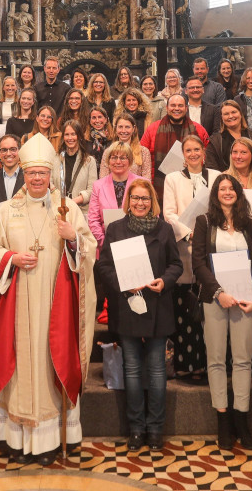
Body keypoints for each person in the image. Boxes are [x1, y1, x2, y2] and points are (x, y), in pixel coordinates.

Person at [0, 134, 97, 465]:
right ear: (22, 172)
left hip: (53, 308)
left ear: (50, 176)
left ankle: (50, 441)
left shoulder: (67, 208)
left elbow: (90, 251)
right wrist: (11, 259)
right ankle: (14, 440)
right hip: (17, 307)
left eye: (41, 174)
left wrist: (73, 238)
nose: (35, 179)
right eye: (30, 173)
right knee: (18, 367)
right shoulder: (7, 211)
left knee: (50, 365)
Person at [95, 179, 183, 451]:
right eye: (136, 198)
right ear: (128, 201)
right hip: (127, 306)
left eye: (145, 198)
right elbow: (103, 266)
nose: (140, 203)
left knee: (157, 372)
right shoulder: (115, 229)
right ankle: (136, 429)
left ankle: (155, 429)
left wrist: (164, 281)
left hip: (157, 304)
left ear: (152, 201)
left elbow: (176, 265)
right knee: (131, 371)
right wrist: (122, 281)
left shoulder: (165, 229)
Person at [191, 174, 252, 451]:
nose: (227, 192)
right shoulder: (204, 222)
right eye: (222, 188)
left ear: (238, 192)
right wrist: (218, 292)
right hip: (216, 299)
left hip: (245, 300)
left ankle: (241, 420)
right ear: (215, 193)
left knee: (244, 361)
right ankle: (223, 420)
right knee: (217, 360)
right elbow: (198, 263)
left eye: (231, 188)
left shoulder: (247, 225)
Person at [161, 135, 220, 382]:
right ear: (182, 154)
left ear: (203, 152)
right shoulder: (173, 178)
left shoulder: (217, 176)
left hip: (212, 247)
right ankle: (186, 363)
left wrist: (207, 234)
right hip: (185, 249)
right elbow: (169, 213)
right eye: (188, 150)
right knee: (186, 310)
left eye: (197, 149)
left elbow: (223, 207)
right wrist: (189, 233)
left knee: (210, 310)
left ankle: (210, 365)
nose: (193, 154)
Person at [139, 94, 210, 191]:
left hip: (192, 184)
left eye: (180, 105)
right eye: (173, 105)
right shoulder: (152, 129)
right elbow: (141, 157)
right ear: (167, 108)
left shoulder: (199, 130)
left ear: (186, 108)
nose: (176, 108)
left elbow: (208, 156)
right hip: (159, 186)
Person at [87, 142, 143, 246]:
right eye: (114, 157)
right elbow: (93, 219)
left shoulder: (143, 183)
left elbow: (153, 215)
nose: (118, 161)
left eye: (123, 158)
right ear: (108, 161)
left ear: (130, 161)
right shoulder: (98, 186)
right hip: (106, 245)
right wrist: (105, 243)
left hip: (137, 244)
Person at [52, 122, 96, 215]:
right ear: (63, 137)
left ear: (79, 136)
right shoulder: (55, 159)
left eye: (73, 134)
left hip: (80, 212)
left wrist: (72, 202)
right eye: (67, 134)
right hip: (58, 211)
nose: (70, 138)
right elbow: (50, 184)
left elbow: (92, 190)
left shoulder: (89, 161)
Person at [100, 114, 152, 179]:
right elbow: (103, 178)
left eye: (127, 127)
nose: (123, 131)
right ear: (116, 129)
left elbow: (146, 180)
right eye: (120, 127)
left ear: (134, 129)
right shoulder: (108, 152)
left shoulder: (144, 152)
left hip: (136, 188)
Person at [206, 100, 248, 172]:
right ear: (222, 118)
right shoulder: (214, 142)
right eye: (226, 114)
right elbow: (211, 168)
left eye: (234, 112)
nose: (231, 116)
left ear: (240, 114)